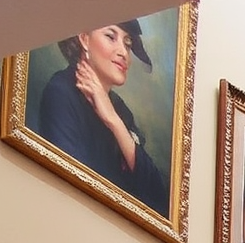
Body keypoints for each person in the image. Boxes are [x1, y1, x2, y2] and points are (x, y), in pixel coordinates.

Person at [37, 21, 169, 216]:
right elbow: (70, 186)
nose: (123, 52)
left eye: (128, 43)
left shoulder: (120, 111)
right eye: (110, 36)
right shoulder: (61, 92)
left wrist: (113, 121)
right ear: (84, 38)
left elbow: (158, 198)